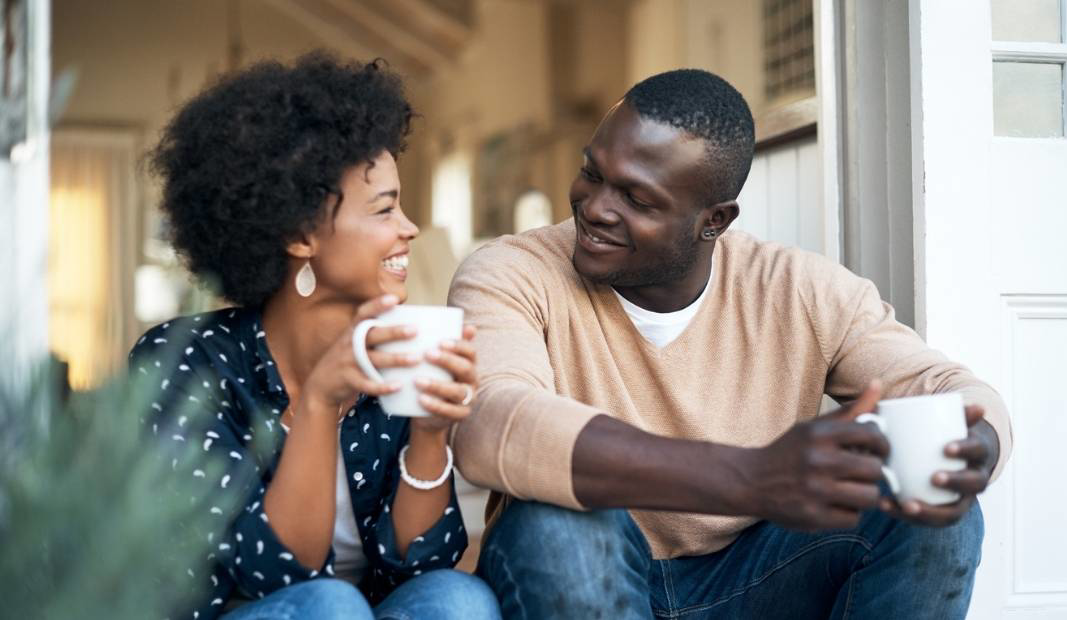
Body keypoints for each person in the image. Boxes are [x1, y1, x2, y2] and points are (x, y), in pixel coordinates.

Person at [448, 69, 1013, 619]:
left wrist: (974, 445)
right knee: (557, 523)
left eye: (636, 199)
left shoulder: (801, 290)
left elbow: (946, 387)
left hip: (755, 578)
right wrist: (755, 476)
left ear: (713, 221)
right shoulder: (510, 272)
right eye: (592, 174)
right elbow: (492, 423)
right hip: (583, 567)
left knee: (937, 511)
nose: (595, 207)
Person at [130, 53, 499, 620]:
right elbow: (276, 572)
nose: (409, 228)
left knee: (460, 599)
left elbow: (421, 567)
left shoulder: (391, 354)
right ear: (301, 234)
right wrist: (322, 402)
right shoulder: (186, 364)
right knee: (331, 605)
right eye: (385, 208)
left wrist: (429, 433)